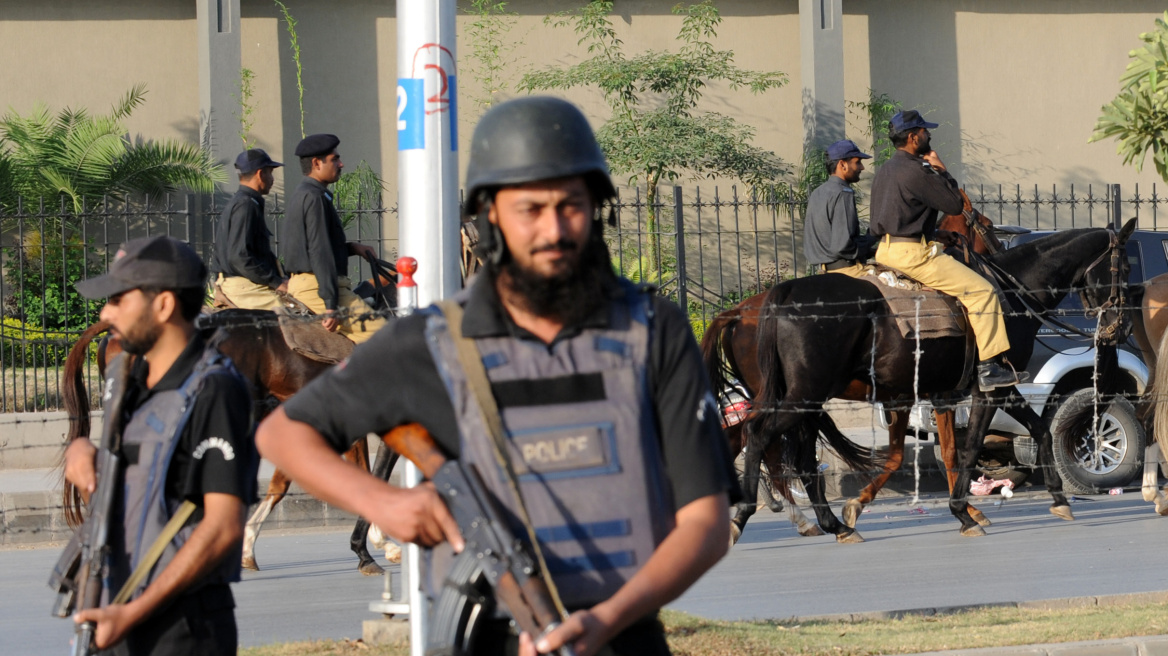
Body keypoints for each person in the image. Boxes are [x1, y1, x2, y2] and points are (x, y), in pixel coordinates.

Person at [256, 97, 738, 656]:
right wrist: (383, 504)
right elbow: (283, 434)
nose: (553, 229)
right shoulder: (436, 342)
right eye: (530, 209)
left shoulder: (654, 329)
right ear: (490, 218)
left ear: (597, 208)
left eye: (571, 206)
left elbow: (705, 524)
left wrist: (605, 621)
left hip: (621, 636)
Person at [64, 236, 258, 655]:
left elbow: (223, 527)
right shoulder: (130, 382)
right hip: (118, 611)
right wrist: (84, 455)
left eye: (118, 299)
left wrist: (133, 614)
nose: (105, 312)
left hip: (181, 629)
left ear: (164, 305)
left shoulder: (215, 391)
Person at [869, 109, 1025, 391]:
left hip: (884, 251)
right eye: (926, 132)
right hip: (912, 255)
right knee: (982, 292)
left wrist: (936, 232)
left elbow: (897, 214)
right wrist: (942, 169)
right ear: (914, 137)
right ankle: (989, 367)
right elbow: (955, 206)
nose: (930, 135)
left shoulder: (885, 170)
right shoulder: (917, 170)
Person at [281, 133, 386, 343]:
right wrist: (331, 304)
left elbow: (311, 247)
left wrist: (352, 248)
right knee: (386, 338)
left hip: (310, 282)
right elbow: (320, 252)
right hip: (317, 287)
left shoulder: (307, 194)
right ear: (316, 163)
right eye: (335, 159)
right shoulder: (314, 197)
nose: (341, 163)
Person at [210, 148, 287, 310]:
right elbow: (239, 256)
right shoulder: (246, 205)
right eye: (270, 173)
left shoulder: (244, 202)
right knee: (294, 318)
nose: (272, 179)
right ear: (260, 174)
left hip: (239, 283)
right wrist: (276, 282)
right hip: (242, 286)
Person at [804, 139, 873, 277]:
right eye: (857, 162)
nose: (862, 167)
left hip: (824, 272)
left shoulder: (818, 192)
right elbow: (842, 246)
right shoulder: (843, 193)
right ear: (842, 164)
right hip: (848, 272)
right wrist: (873, 237)